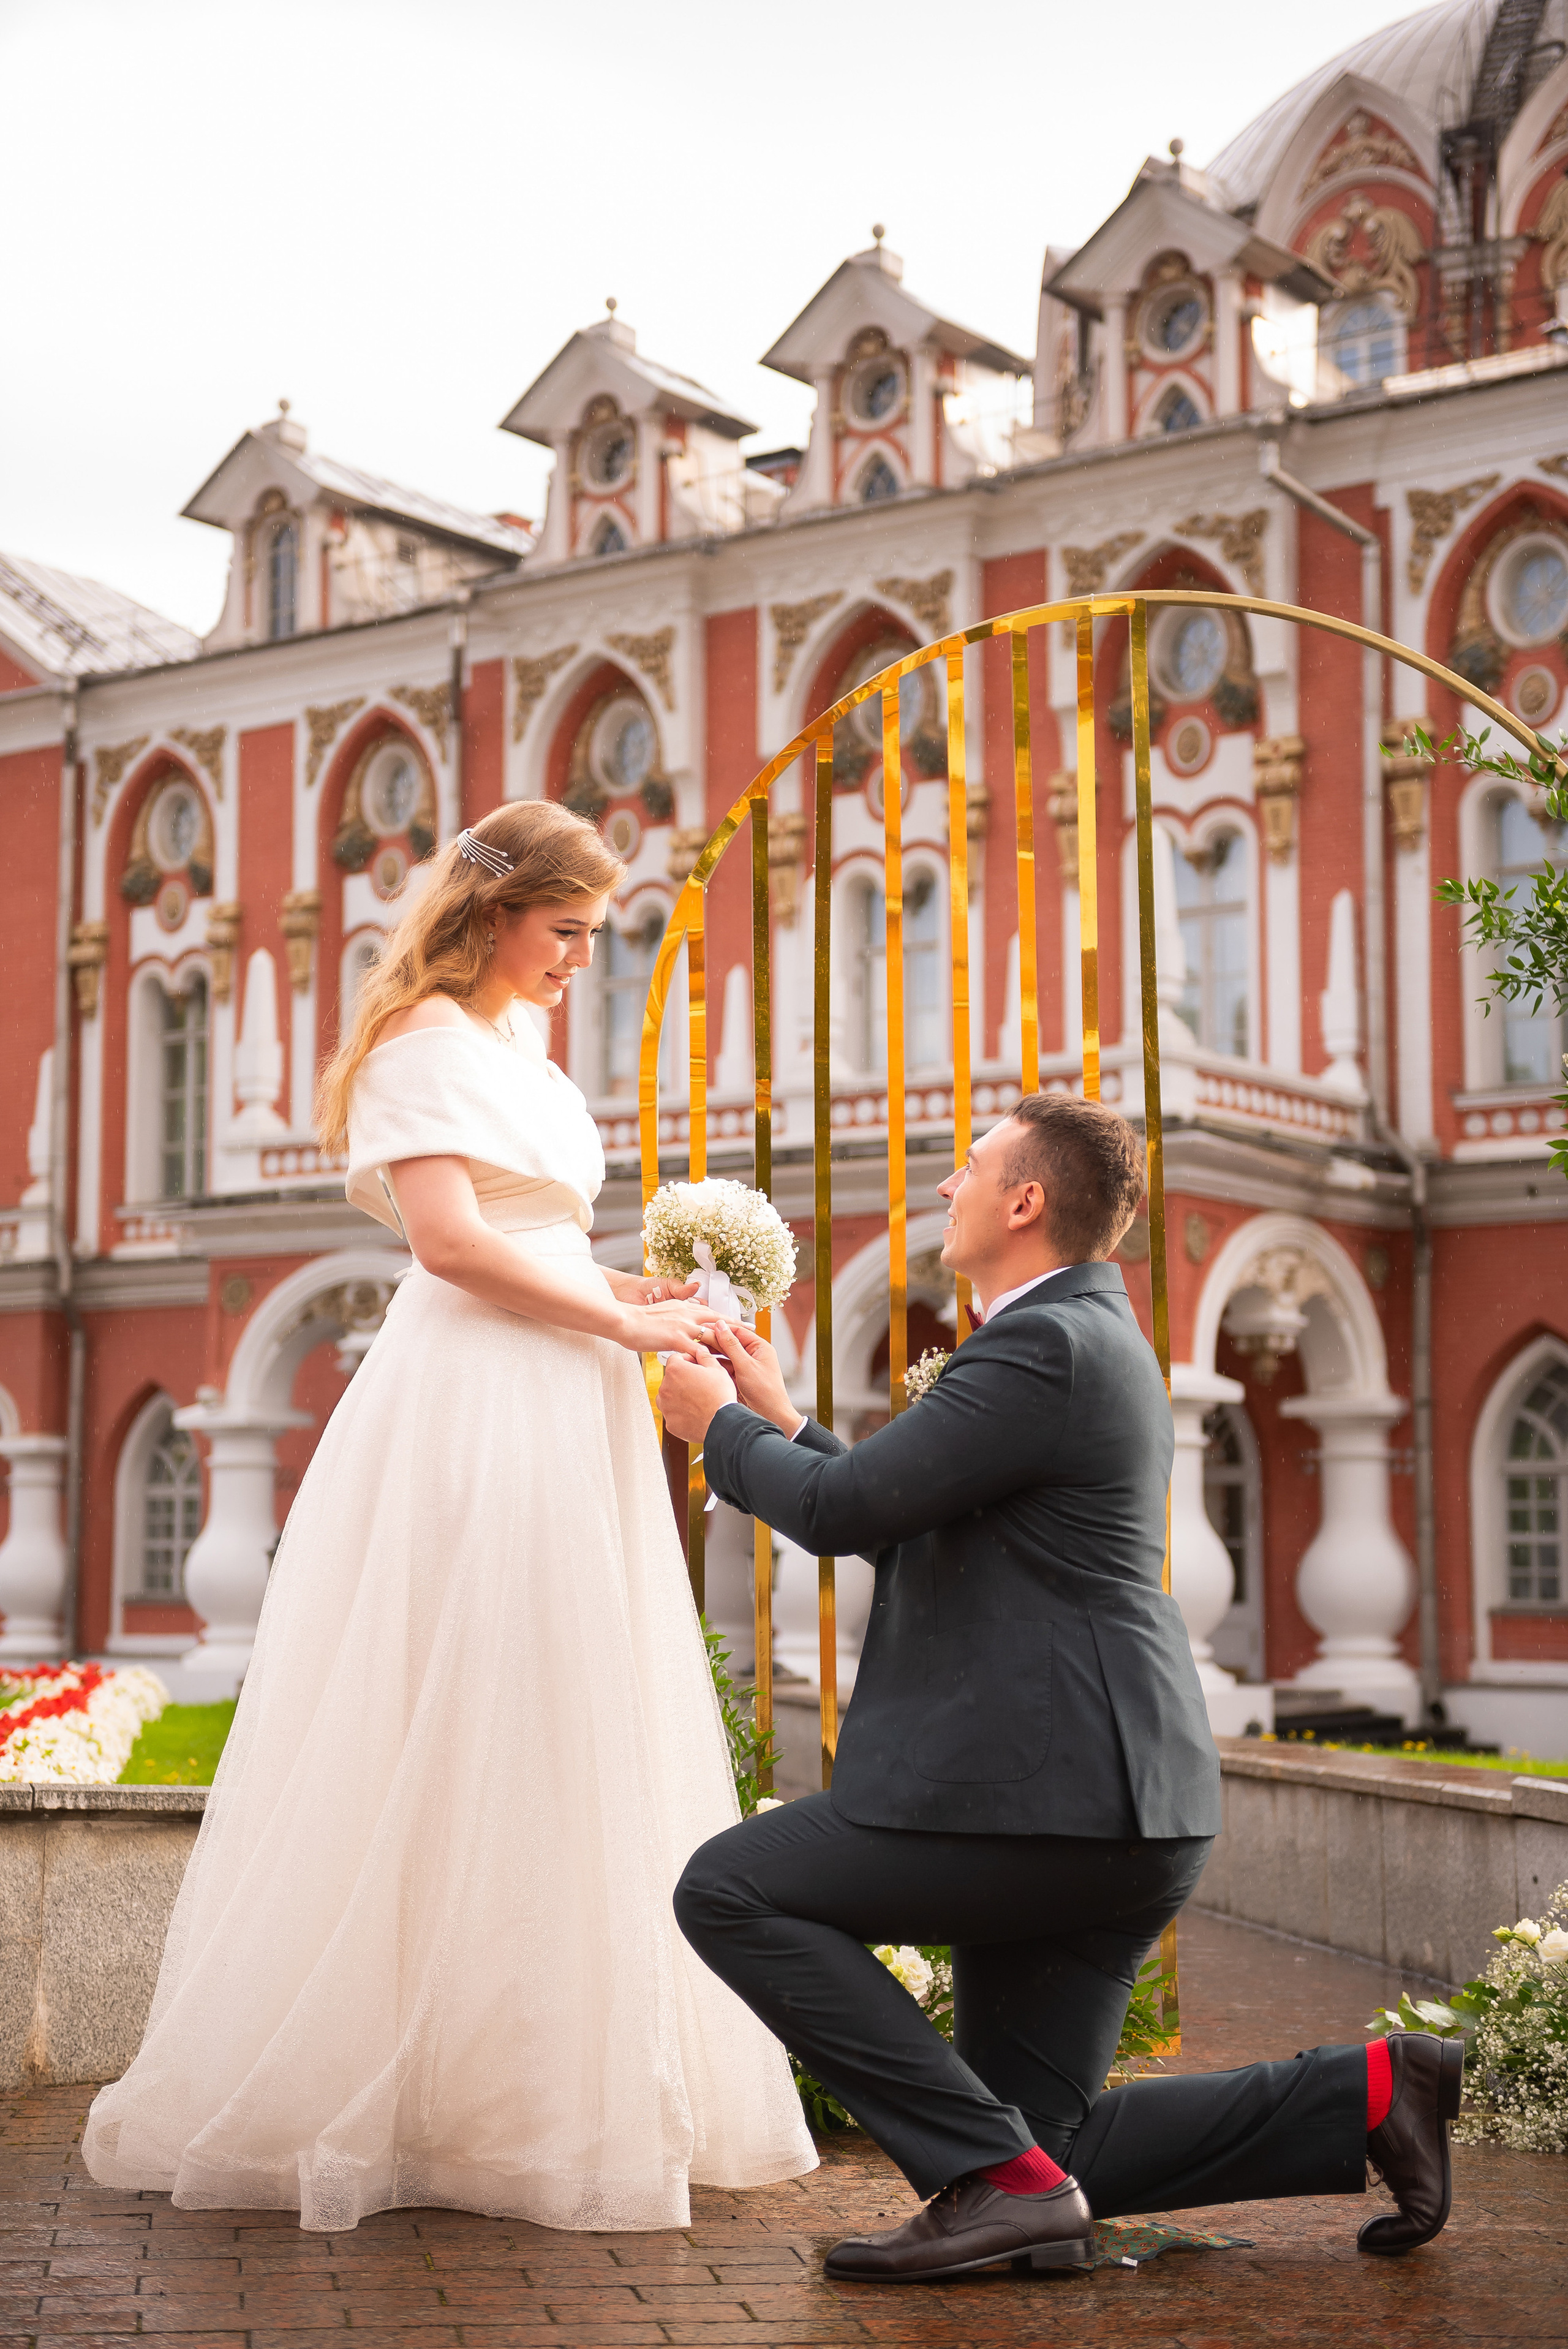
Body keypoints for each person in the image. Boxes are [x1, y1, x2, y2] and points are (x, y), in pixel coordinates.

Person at [83, 801, 815, 2234]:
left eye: (593, 938)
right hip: (478, 1390)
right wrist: (619, 1310)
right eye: (565, 932)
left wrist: (644, 1303)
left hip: (568, 1382)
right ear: (493, 919)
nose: (578, 962)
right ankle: (405, 2089)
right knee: (460, 1696)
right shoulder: (419, 1042)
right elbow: (452, 1241)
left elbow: (533, 1226)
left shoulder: (519, 1053)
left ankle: (530, 2081)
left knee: (562, 1712)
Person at [658, 1094, 1461, 2282]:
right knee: (1046, 2148)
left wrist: (715, 1428)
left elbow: (842, 1515)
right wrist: (782, 1420)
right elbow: (907, 1524)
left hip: (1042, 1799)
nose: (945, 1188)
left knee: (729, 1891)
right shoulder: (1075, 1338)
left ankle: (992, 2187)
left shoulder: (1043, 1345)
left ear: (1024, 1201)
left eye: (968, 1168)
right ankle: (1368, 2096)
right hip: (1108, 1806)